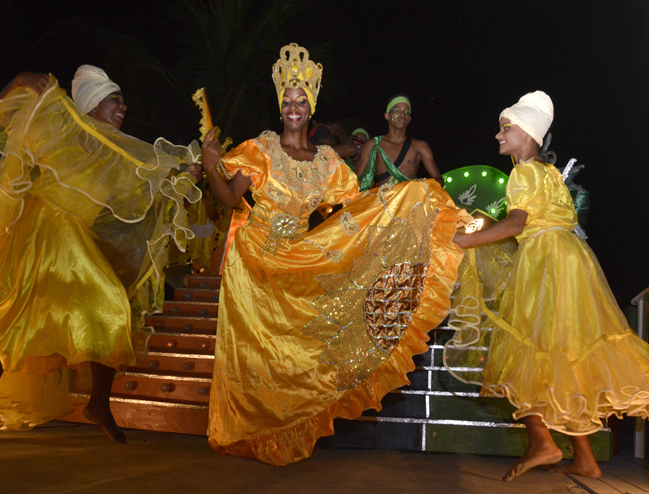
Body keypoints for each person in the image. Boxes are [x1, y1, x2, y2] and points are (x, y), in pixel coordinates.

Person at [201, 43, 463, 465]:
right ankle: (247, 427)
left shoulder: (326, 162)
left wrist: (402, 208)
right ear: (280, 105)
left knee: (296, 351)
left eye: (301, 100)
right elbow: (232, 201)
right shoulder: (260, 149)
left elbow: (353, 208)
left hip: (299, 258)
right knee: (255, 353)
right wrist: (212, 164)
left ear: (311, 106)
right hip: (253, 261)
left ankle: (285, 424)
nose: (293, 106)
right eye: (287, 100)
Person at [0, 66, 200, 443]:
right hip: (37, 238)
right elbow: (5, 114)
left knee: (112, 311)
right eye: (114, 99)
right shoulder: (62, 128)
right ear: (91, 104)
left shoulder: (121, 152)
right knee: (9, 320)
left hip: (77, 245)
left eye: (123, 101)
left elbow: (148, 188)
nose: (123, 107)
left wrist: (183, 172)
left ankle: (98, 403)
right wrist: (20, 80)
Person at [450, 91, 649, 481]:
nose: (498, 135)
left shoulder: (523, 172)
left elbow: (518, 224)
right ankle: (586, 459)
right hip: (572, 261)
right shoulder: (547, 173)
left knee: (528, 350)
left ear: (529, 134)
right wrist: (478, 227)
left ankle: (543, 442)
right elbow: (535, 221)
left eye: (506, 128)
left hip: (545, 264)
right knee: (566, 353)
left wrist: (465, 240)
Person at [355, 95, 443, 191]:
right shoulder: (373, 144)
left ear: (409, 119)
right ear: (387, 116)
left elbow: (438, 178)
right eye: (397, 110)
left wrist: (425, 190)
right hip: (381, 202)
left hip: (409, 202)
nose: (402, 114)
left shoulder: (420, 146)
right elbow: (356, 179)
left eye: (407, 111)